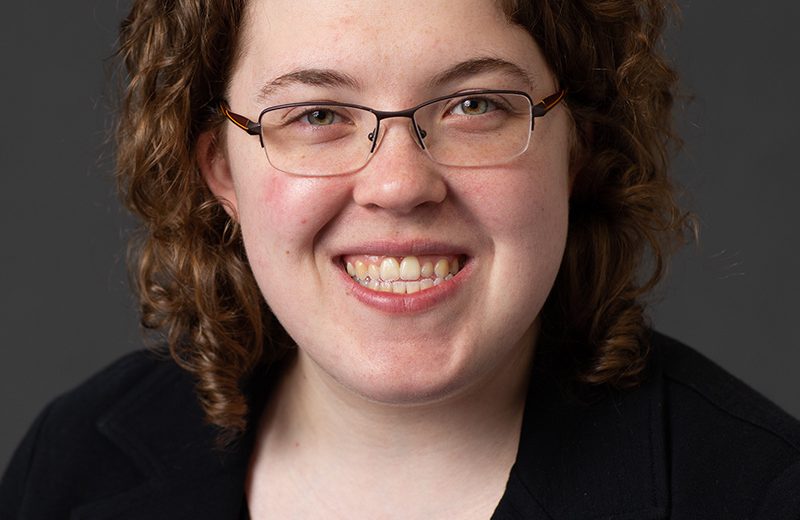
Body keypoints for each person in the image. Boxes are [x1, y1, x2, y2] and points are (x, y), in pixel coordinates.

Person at [2, 0, 799, 518]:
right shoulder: (74, 464)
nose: (399, 185)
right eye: (317, 114)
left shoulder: (760, 493)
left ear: (578, 147)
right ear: (221, 171)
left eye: (475, 105)